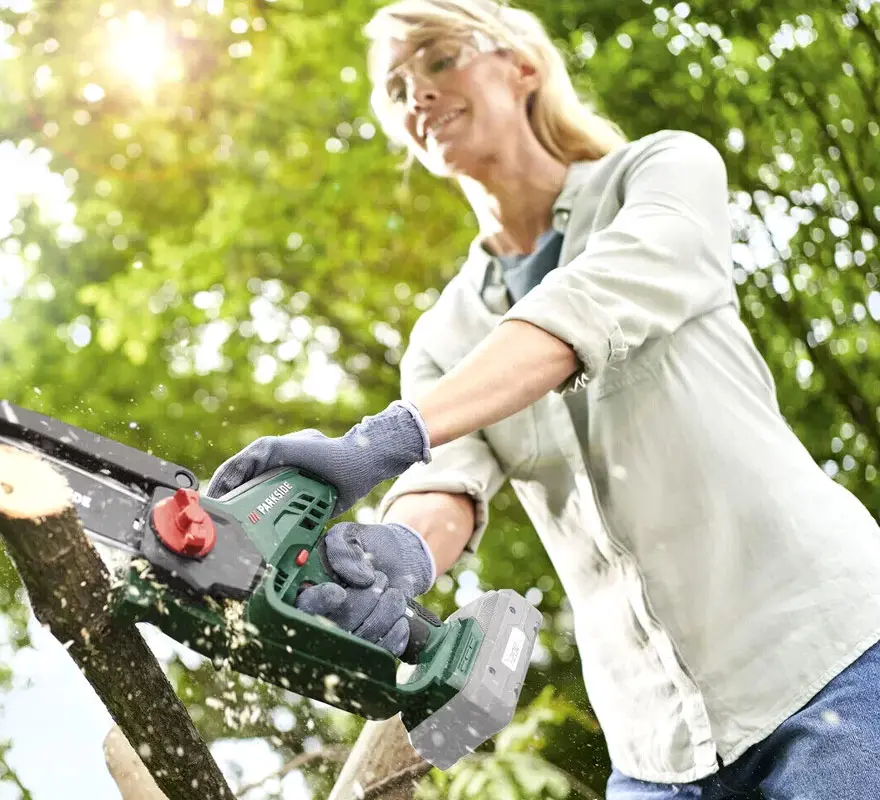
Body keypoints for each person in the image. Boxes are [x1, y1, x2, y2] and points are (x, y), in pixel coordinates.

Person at [205, 0, 880, 797]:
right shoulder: (444, 334)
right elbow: (445, 482)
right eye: (395, 86)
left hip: (828, 659)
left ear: (522, 65)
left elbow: (583, 311)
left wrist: (381, 438)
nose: (415, 92)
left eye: (439, 59)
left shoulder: (660, 174)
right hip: (654, 748)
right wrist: (389, 557)